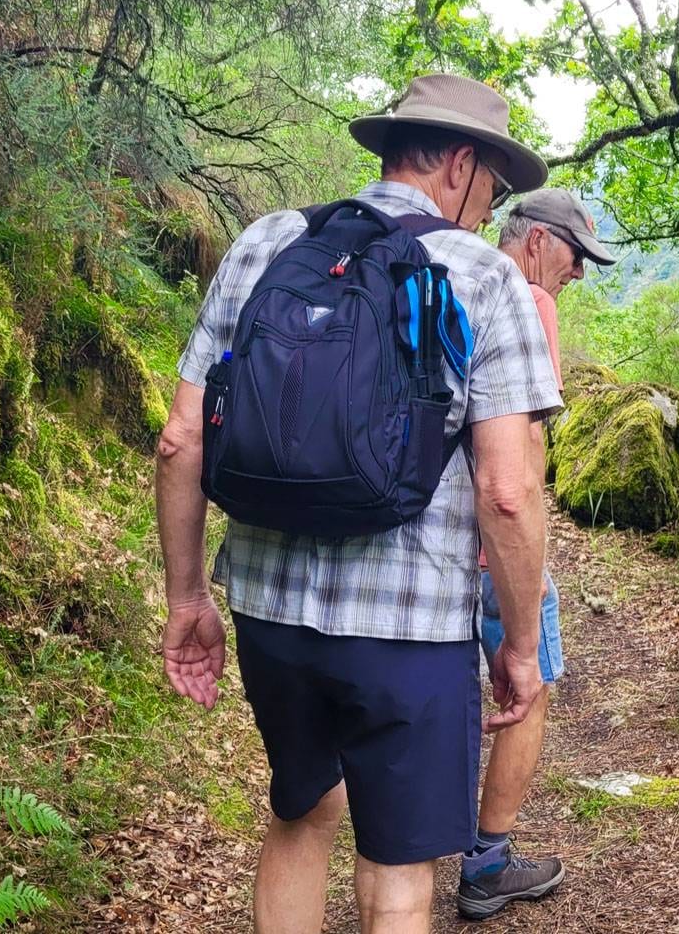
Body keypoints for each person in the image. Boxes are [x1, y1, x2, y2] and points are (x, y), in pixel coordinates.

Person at [154, 73, 562, 934]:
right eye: (491, 190)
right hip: (410, 629)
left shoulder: (269, 243)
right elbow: (508, 490)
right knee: (399, 871)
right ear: (460, 165)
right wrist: (521, 646)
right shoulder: (484, 277)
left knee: (301, 816)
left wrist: (187, 598)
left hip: (270, 613)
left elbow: (181, 440)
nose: (487, 210)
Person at [459, 189, 616, 920]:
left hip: (433, 545)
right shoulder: (529, 301)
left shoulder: (450, 279)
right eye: (576, 255)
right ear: (537, 242)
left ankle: (419, 847)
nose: (578, 272)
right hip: (492, 549)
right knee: (531, 686)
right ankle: (487, 862)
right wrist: (528, 565)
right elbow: (522, 448)